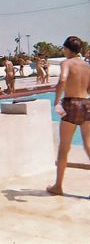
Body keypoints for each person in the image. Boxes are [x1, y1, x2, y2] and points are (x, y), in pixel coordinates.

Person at [47, 36, 90, 196]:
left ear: (67, 49)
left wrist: (57, 100)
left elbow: (63, 79)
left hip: (71, 104)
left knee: (64, 147)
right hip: (86, 104)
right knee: (88, 144)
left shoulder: (66, 63)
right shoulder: (86, 65)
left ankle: (58, 186)